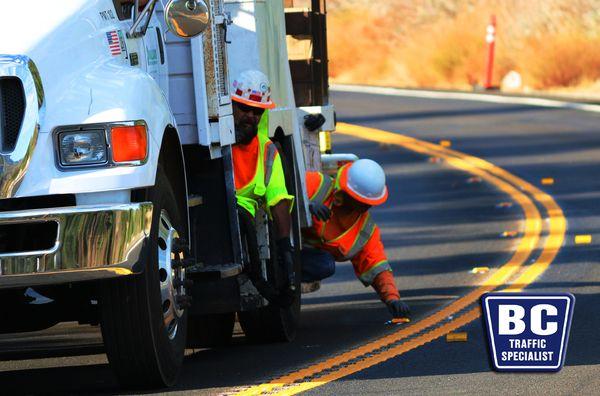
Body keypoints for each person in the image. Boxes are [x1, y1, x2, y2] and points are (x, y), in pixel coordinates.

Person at [302, 159, 411, 319]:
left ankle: (283, 287)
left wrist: (392, 299)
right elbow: (279, 190)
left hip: (299, 260)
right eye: (363, 202)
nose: (367, 207)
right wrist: (305, 205)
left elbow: (375, 263)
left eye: (368, 204)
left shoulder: (364, 231)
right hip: (279, 241)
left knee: (324, 265)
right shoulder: (317, 185)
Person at [230, 70, 296, 301]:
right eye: (244, 108)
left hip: (242, 224)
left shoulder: (268, 151)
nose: (250, 116)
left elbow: (278, 198)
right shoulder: (214, 142)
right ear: (231, 106)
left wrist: (285, 250)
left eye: (257, 111)